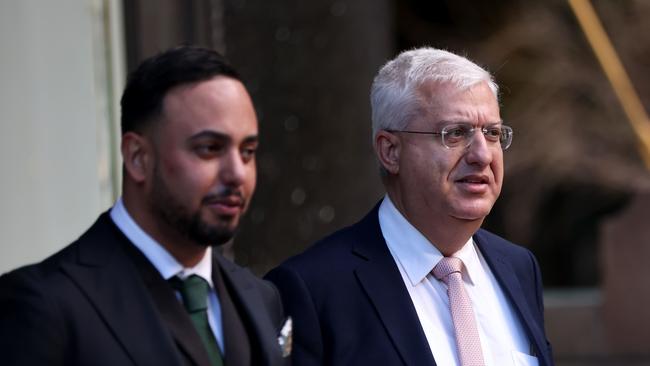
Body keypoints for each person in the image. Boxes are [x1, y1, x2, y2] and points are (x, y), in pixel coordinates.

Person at [0, 45, 289, 366]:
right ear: (137, 157)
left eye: (247, 152)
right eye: (209, 148)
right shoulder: (44, 305)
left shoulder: (260, 298)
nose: (237, 173)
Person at [266, 47, 554, 366]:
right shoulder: (311, 289)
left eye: (492, 133)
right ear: (390, 151)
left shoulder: (519, 268)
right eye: (456, 133)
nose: (482, 155)